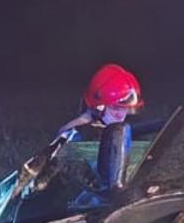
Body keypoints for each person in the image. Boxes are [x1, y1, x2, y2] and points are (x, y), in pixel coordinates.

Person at [56, 63, 147, 193]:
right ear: (99, 106)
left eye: (125, 109)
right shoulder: (74, 134)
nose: (121, 115)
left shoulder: (117, 131)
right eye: (116, 108)